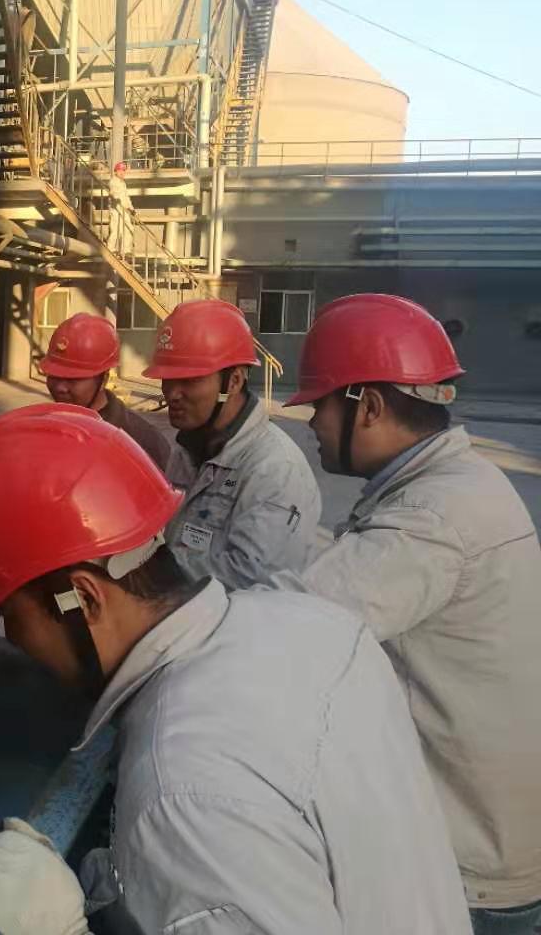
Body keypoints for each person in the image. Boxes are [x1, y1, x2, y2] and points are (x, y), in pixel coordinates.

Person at [0, 404, 471, 934]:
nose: (13, 640)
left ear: (85, 599)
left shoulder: (180, 793)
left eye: (8, 614)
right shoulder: (317, 625)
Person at [248, 294, 541, 933]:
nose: (310, 423)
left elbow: (289, 626)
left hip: (468, 872)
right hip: (493, 836)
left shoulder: (430, 519)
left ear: (370, 406)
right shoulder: (462, 484)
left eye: (320, 406)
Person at [144, 298, 319, 586]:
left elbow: (254, 579)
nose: (172, 394)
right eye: (167, 379)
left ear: (234, 381)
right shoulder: (188, 450)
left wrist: (151, 574)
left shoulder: (274, 469)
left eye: (189, 381)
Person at [40, 314, 170, 470]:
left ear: (104, 379)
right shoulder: (40, 432)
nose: (60, 388)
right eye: (53, 376)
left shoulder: (142, 442)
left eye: (72, 379)